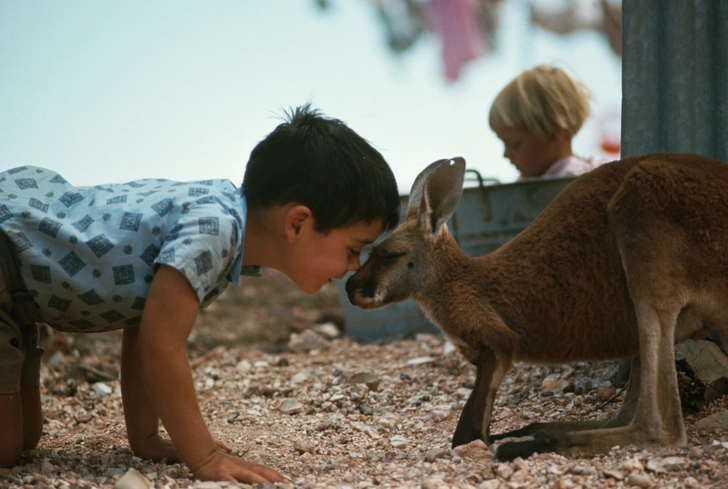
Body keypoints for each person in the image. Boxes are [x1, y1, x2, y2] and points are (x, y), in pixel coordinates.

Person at [0, 104, 401, 483]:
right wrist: (204, 456)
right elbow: (161, 347)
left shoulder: (221, 223)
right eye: (353, 249)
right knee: (5, 447)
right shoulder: (216, 230)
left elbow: (141, 323)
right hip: (8, 256)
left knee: (26, 439)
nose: (353, 266)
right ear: (297, 224)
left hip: (24, 295)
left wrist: (145, 440)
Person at [488, 64, 603, 180]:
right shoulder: (528, 182)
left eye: (514, 144)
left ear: (554, 132)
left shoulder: (576, 179)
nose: (506, 154)